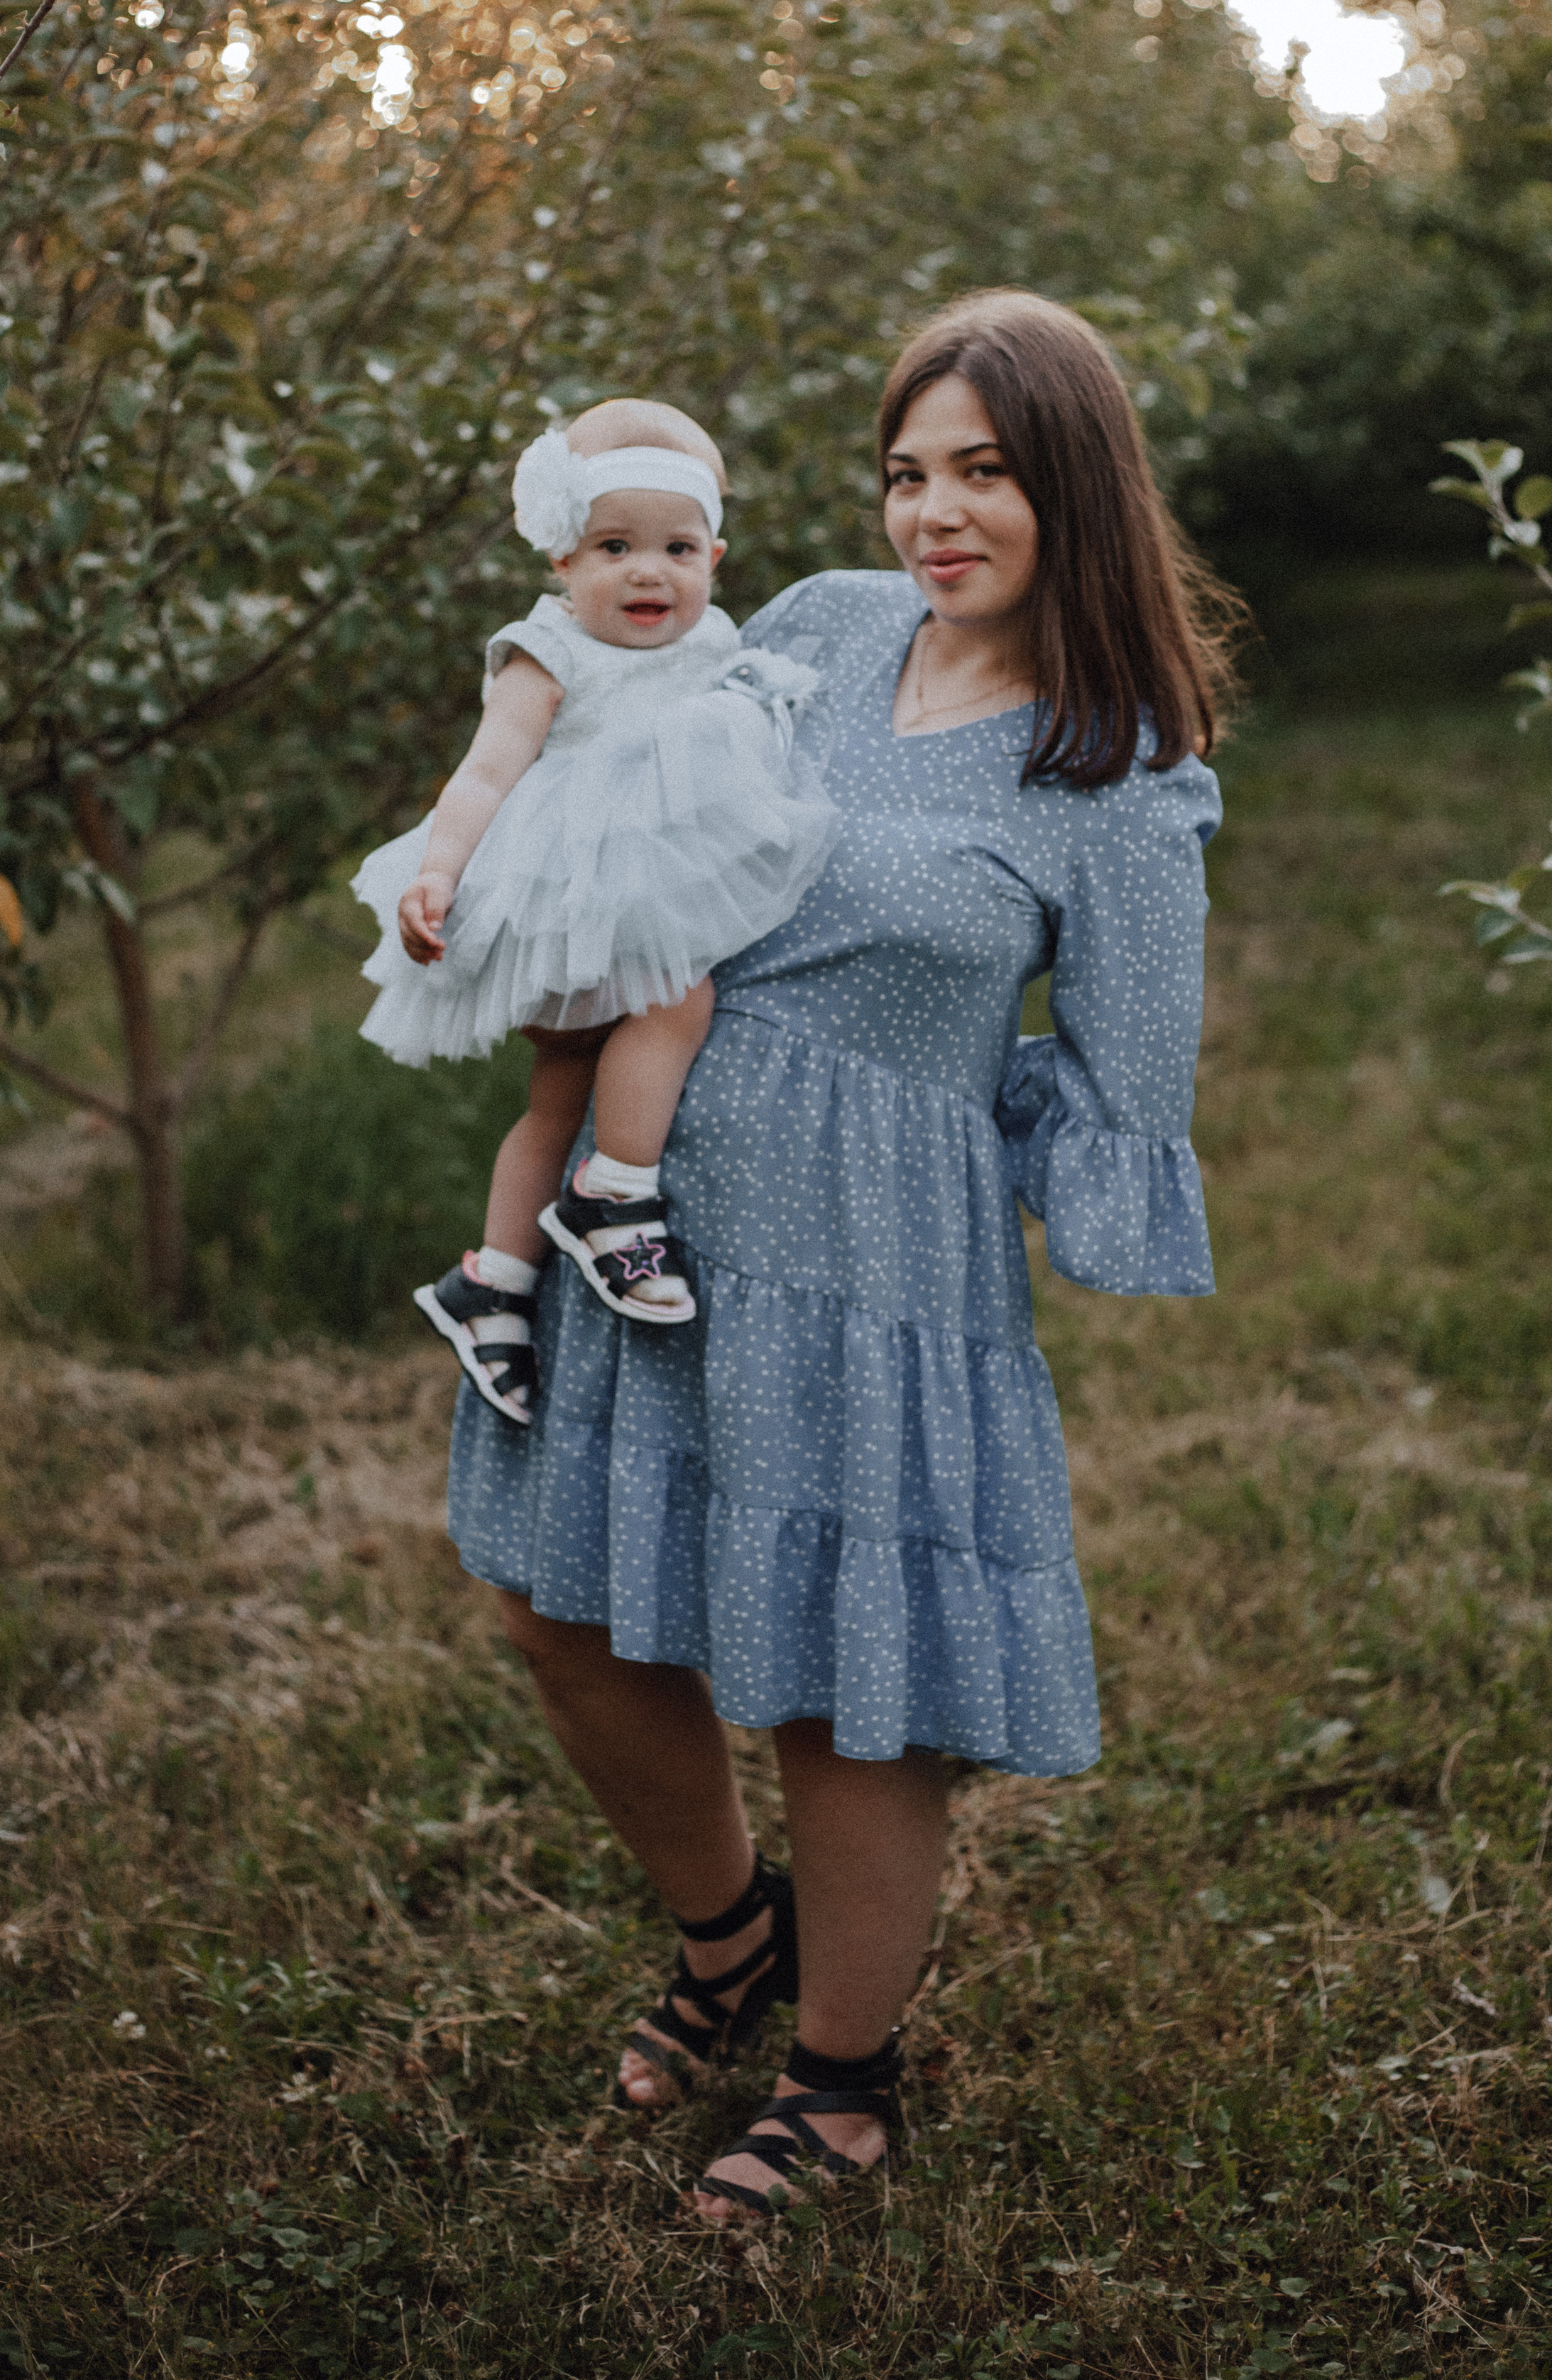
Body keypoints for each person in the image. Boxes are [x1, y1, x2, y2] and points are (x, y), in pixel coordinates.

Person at [445, 290, 1235, 2222]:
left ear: (1075, 484)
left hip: (879, 1257)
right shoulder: (807, 624)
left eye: (983, 472)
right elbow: (626, 792)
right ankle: (730, 1937)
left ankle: (843, 2075)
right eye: (906, 472)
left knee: (831, 1676)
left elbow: (1125, 1074)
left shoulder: (1112, 770)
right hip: (645, 1206)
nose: (932, 515)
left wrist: (931, 1121)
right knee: (559, 1608)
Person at [351, 398, 837, 1424]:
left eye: (676, 548)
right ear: (564, 561)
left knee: (557, 1089)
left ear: (715, 554)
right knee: (680, 997)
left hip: (638, 896)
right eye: (614, 547)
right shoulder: (550, 650)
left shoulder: (714, 644)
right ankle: (615, 1193)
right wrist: (438, 874)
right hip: (560, 895)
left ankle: (492, 1283)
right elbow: (484, 775)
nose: (648, 573)